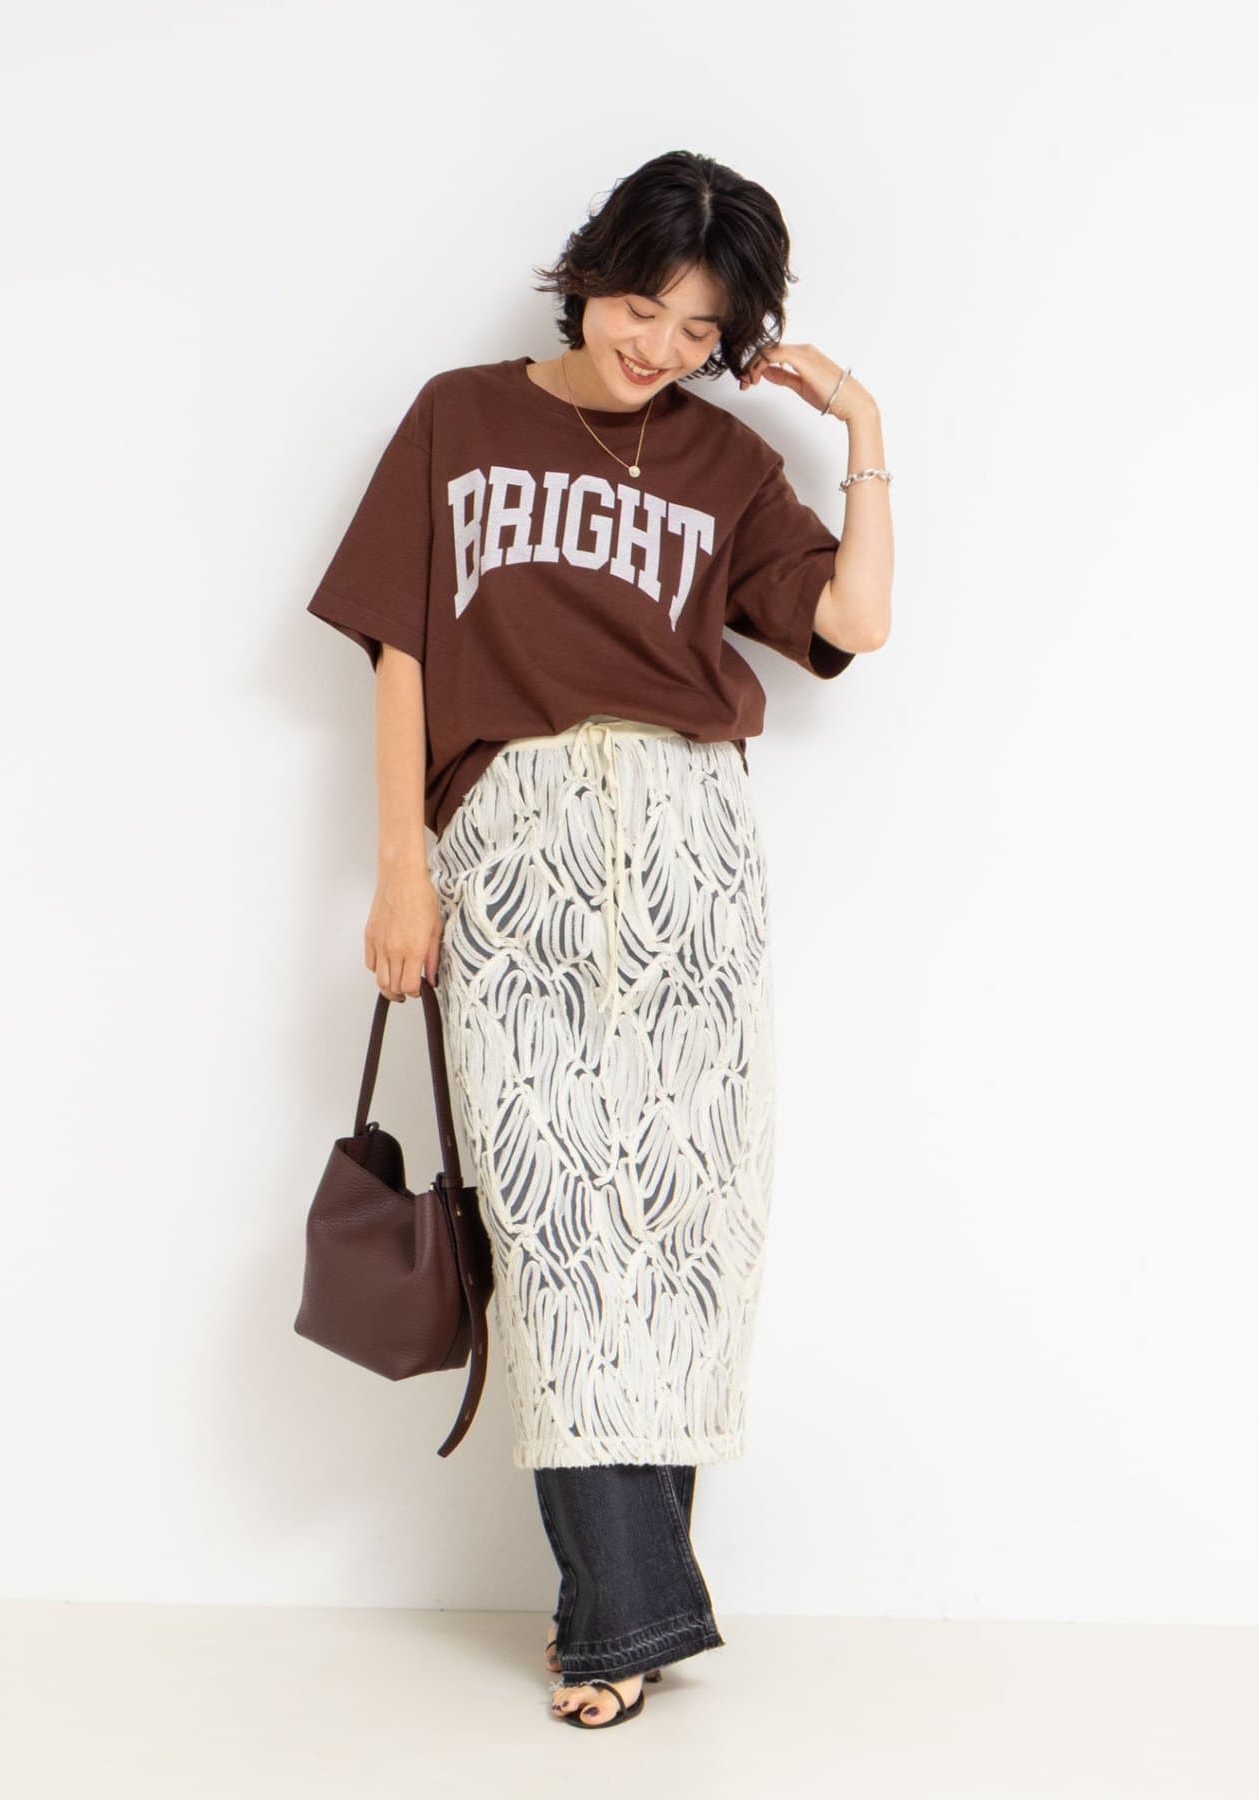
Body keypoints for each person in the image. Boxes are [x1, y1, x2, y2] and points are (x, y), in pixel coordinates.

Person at [305, 148, 893, 1730]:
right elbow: (401, 648)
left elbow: (851, 624)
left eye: (702, 331)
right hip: (518, 842)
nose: (661, 349)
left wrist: (862, 429)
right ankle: (630, 1613)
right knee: (560, 1224)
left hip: (692, 845)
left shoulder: (726, 462)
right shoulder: (461, 419)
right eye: (645, 307)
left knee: (685, 1228)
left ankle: (617, 1622)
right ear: (591, 276)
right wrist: (401, 867)